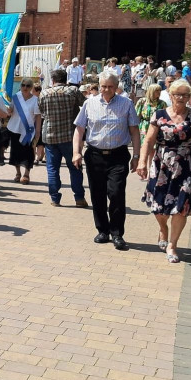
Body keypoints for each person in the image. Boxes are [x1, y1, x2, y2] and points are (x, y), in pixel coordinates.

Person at [137, 80, 191, 262]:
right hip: (162, 165)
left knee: (181, 207)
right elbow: (149, 141)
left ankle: (172, 245)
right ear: (171, 95)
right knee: (159, 208)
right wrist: (142, 162)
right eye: (178, 94)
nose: (182, 98)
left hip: (187, 166)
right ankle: (163, 228)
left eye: (186, 95)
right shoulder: (160, 115)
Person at [72, 70, 140, 250]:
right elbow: (79, 130)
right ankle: (102, 230)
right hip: (94, 155)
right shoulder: (89, 103)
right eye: (103, 86)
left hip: (118, 155)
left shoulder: (126, 104)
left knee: (116, 193)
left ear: (116, 87)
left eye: (110, 86)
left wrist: (137, 156)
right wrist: (76, 152)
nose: (107, 90)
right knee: (97, 194)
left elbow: (134, 131)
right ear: (99, 86)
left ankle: (117, 233)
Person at [37, 69, 86, 207]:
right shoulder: (72, 91)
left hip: (50, 136)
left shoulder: (44, 93)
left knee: (52, 168)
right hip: (70, 135)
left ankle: (55, 198)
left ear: (52, 80)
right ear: (66, 79)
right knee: (75, 167)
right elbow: (85, 104)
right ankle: (79, 198)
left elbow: (41, 111)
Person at [6, 78, 39, 184]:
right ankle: (18, 173)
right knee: (15, 152)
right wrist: (9, 110)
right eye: (23, 85)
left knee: (28, 153)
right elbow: (9, 111)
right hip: (15, 129)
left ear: (31, 87)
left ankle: (26, 174)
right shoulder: (15, 97)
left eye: (28, 86)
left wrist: (38, 132)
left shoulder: (35, 99)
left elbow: (38, 117)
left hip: (28, 131)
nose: (25, 87)